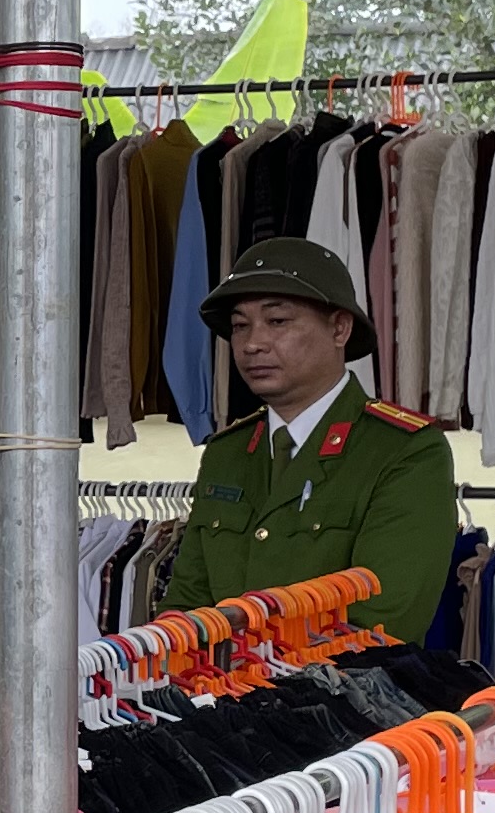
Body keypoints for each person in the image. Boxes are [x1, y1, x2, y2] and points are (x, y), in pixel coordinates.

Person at [157, 234, 457, 646]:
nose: (252, 343)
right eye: (240, 326)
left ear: (339, 328)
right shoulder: (226, 453)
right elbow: (187, 602)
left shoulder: (405, 451)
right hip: (218, 701)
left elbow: (386, 620)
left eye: (277, 321)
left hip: (344, 703)